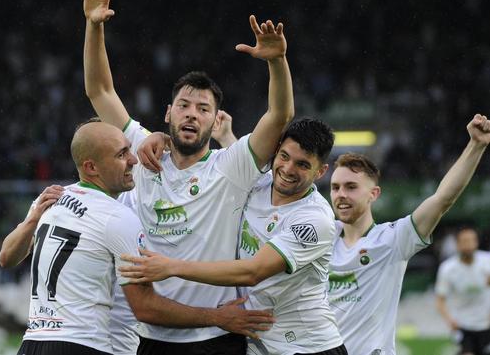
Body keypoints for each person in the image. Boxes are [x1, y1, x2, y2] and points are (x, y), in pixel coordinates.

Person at [83, 0, 294, 354]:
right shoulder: (143, 150)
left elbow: (279, 117)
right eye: (183, 105)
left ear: (216, 121)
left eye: (203, 109)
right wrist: (93, 26)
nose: (191, 114)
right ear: (168, 113)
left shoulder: (232, 167)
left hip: (218, 334)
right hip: (152, 336)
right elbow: (100, 91)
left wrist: (277, 63)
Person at [0, 120, 274, 355]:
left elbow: (7, 258)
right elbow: (146, 308)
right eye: (121, 155)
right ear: (92, 167)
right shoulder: (118, 217)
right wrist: (218, 318)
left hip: (33, 342)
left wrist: (32, 219)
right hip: (84, 344)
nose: (133, 159)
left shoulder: (52, 198)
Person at [121, 118, 347, 355]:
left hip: (308, 346)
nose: (288, 169)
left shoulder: (314, 219)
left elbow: (253, 272)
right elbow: (242, 156)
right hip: (257, 344)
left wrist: (172, 267)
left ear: (320, 171)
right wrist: (165, 138)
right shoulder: (259, 183)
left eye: (302, 164)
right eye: (284, 156)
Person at [328, 114, 490, 355]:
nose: (341, 194)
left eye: (351, 187)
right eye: (335, 187)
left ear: (374, 194)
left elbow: (443, 198)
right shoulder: (319, 238)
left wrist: (476, 145)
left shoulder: (393, 239)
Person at [435, 227, 490, 355]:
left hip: (486, 324)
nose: (468, 244)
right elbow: (440, 300)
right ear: (457, 244)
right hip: (463, 325)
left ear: (476, 242)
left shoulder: (487, 261)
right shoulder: (447, 268)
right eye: (465, 241)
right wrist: (450, 320)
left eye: (471, 240)